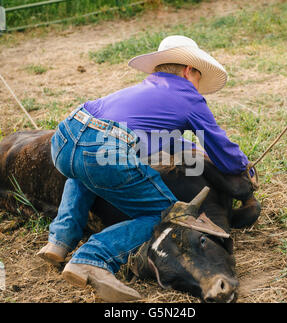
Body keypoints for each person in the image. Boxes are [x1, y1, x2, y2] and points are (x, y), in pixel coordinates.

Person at [37, 35, 254, 302]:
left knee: (85, 172)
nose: (198, 89)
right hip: (105, 145)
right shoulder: (189, 97)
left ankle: (59, 240)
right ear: (189, 71)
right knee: (168, 215)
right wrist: (245, 167)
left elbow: (131, 141)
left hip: (66, 134)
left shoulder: (142, 91)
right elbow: (223, 152)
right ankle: (92, 258)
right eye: (198, 79)